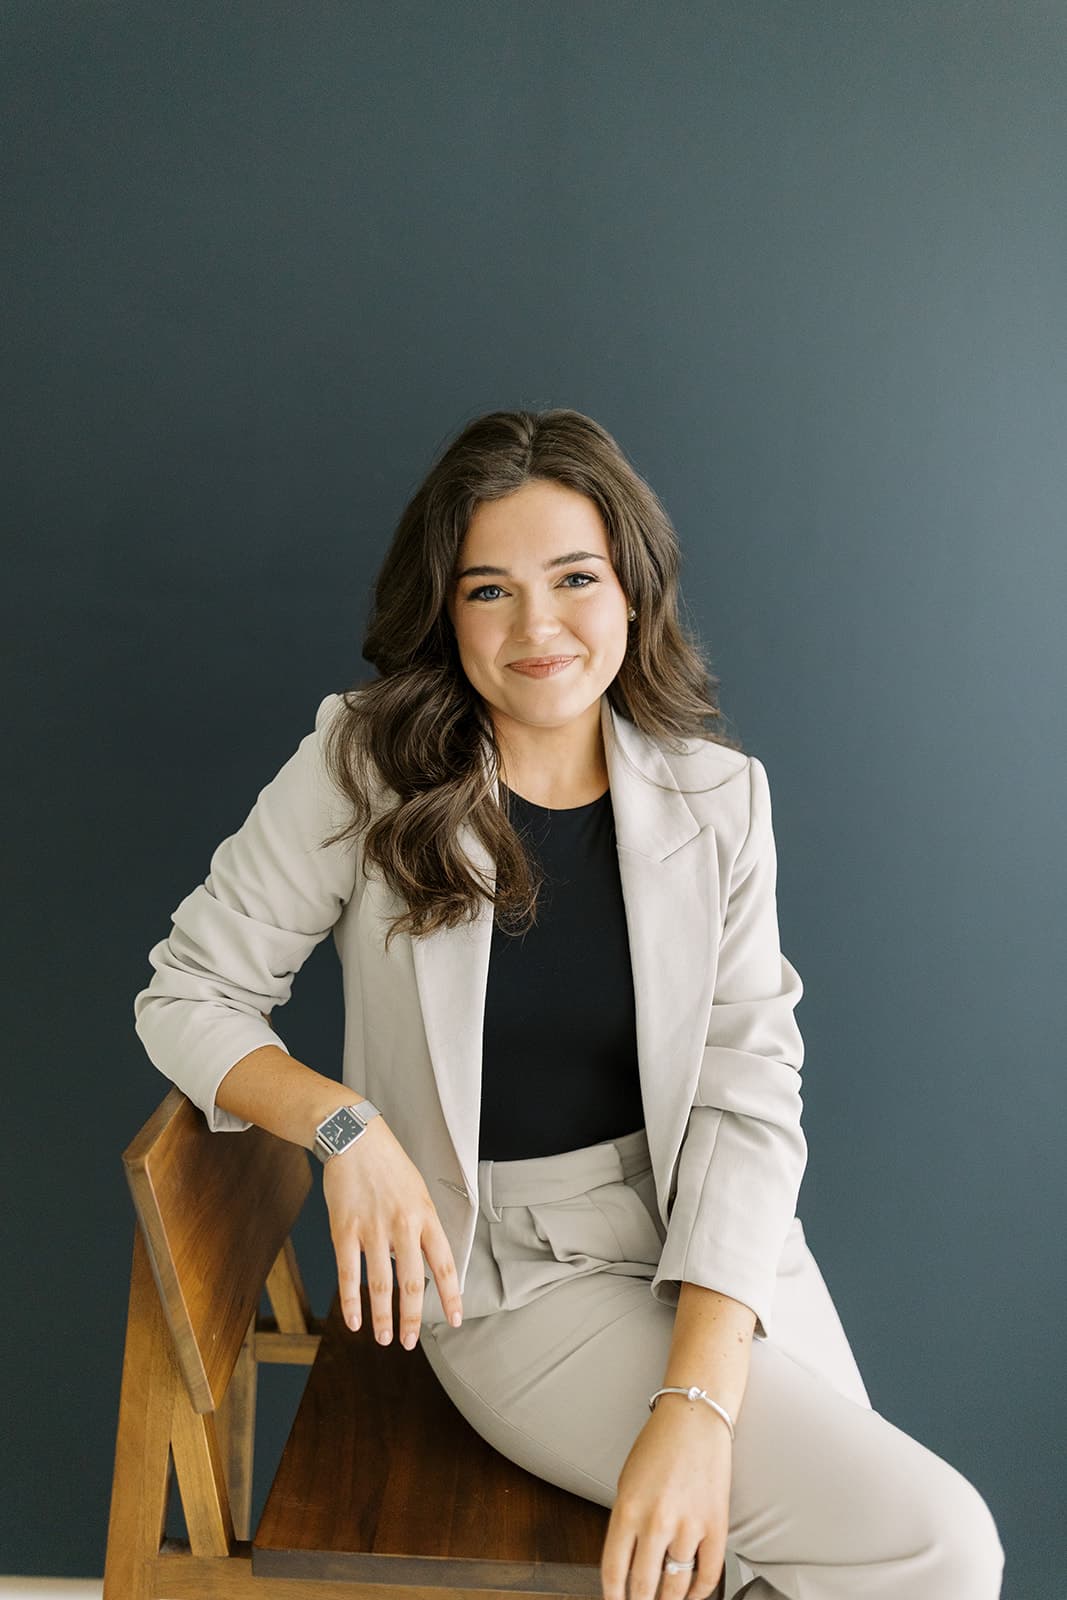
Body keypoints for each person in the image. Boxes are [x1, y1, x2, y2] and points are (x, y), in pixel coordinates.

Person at [133, 408, 1005, 1600]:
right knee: (934, 1546)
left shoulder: (718, 799)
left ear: (632, 592)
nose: (537, 627)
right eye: (489, 590)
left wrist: (694, 1405)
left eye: (574, 578)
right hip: (504, 1271)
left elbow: (747, 1095)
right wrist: (344, 1125)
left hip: (706, 1233)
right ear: (445, 613)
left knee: (809, 1559)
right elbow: (188, 991)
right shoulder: (364, 763)